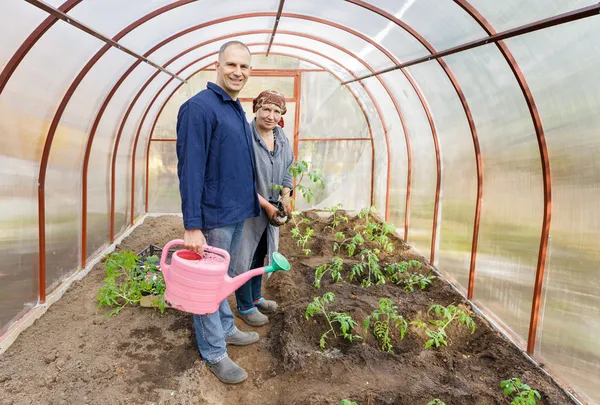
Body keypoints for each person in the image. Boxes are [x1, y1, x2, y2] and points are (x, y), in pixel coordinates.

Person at [176, 40, 261, 384]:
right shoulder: (199, 108)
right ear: (218, 65)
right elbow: (191, 170)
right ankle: (214, 352)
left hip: (237, 211)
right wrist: (192, 226)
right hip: (213, 218)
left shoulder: (234, 107)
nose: (238, 72)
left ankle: (226, 328)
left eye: (244, 66)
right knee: (206, 288)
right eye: (231, 65)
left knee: (221, 282)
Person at [231, 90, 294, 327]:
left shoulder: (282, 137)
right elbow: (240, 180)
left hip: (271, 208)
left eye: (276, 111)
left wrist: (285, 196)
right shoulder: (244, 136)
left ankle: (256, 297)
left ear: (281, 115)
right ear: (256, 108)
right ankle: (244, 306)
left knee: (260, 253)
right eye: (266, 109)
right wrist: (267, 205)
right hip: (248, 209)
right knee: (244, 257)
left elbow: (289, 166)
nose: (270, 115)